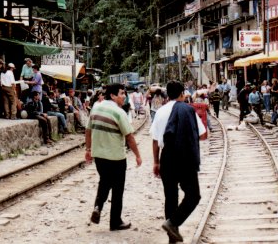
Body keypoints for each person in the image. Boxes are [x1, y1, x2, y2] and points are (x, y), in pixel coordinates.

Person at [150, 80, 206, 243]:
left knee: (170, 197)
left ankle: (171, 238)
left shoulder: (159, 112)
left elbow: (155, 140)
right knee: (193, 195)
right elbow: (203, 135)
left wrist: (156, 162)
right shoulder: (188, 110)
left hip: (166, 157)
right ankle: (173, 223)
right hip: (184, 157)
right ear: (182, 93)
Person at [85, 83, 142, 231]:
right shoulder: (119, 112)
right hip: (116, 157)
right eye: (122, 93)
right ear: (112, 95)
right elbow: (129, 137)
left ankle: (98, 206)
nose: (124, 96)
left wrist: (88, 149)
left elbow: (88, 130)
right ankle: (115, 221)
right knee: (117, 189)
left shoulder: (96, 108)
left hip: (99, 156)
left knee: (104, 181)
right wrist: (137, 155)